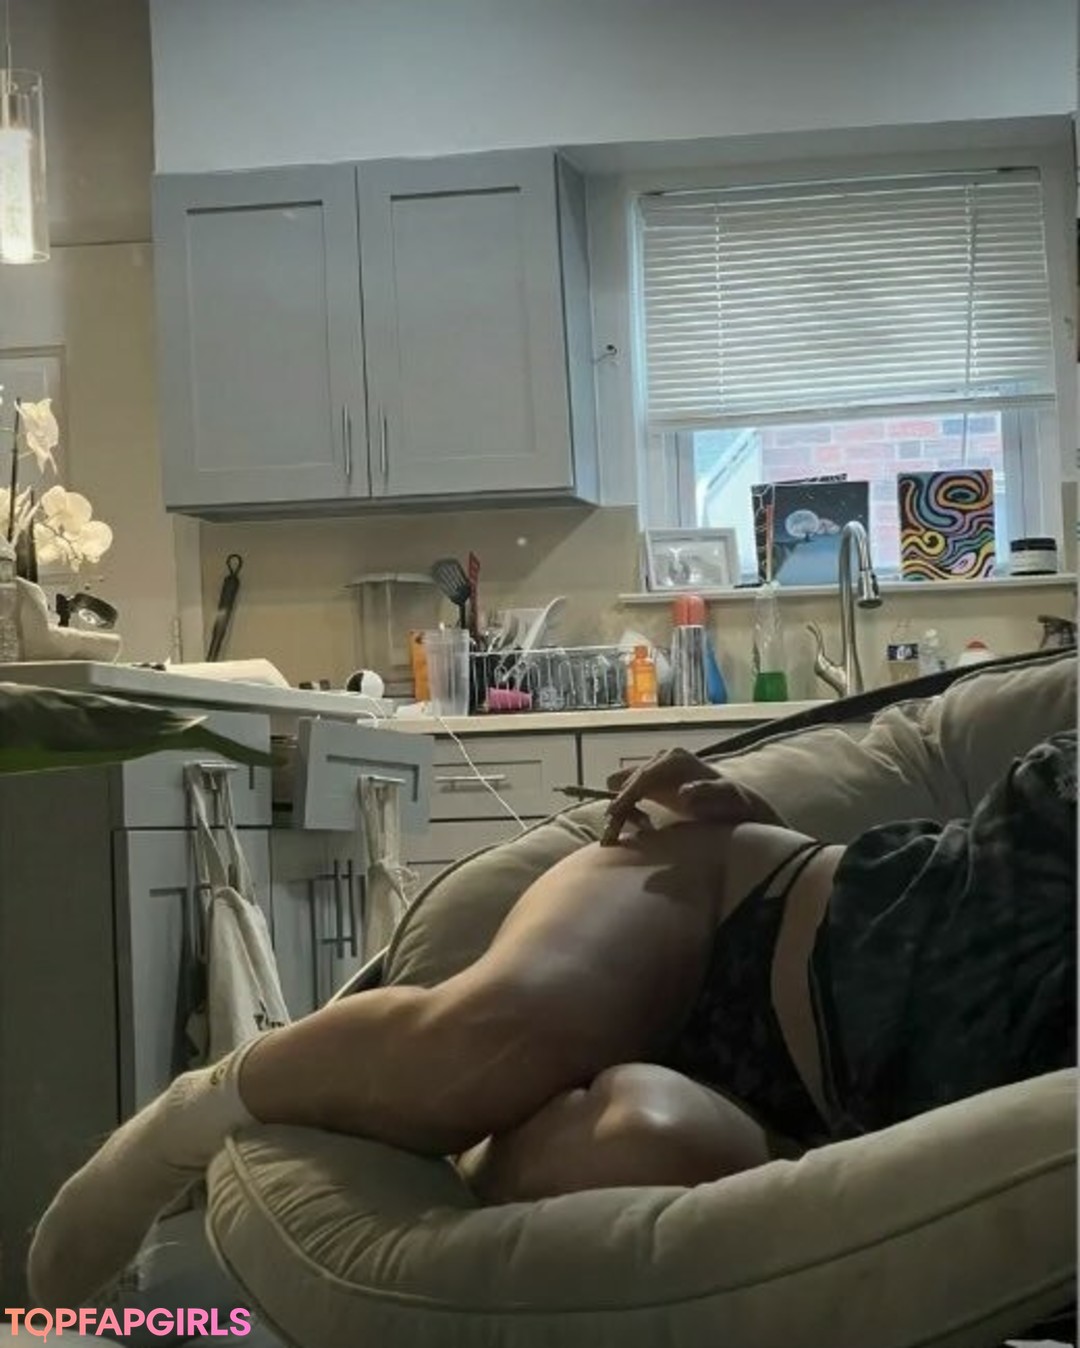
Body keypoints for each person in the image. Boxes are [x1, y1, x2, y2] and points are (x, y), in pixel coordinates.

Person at [28, 734, 1076, 1307]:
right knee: (480, 1048)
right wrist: (756, 807)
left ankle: (475, 1128)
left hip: (808, 1115)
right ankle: (192, 1115)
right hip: (737, 905)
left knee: (637, 1142)